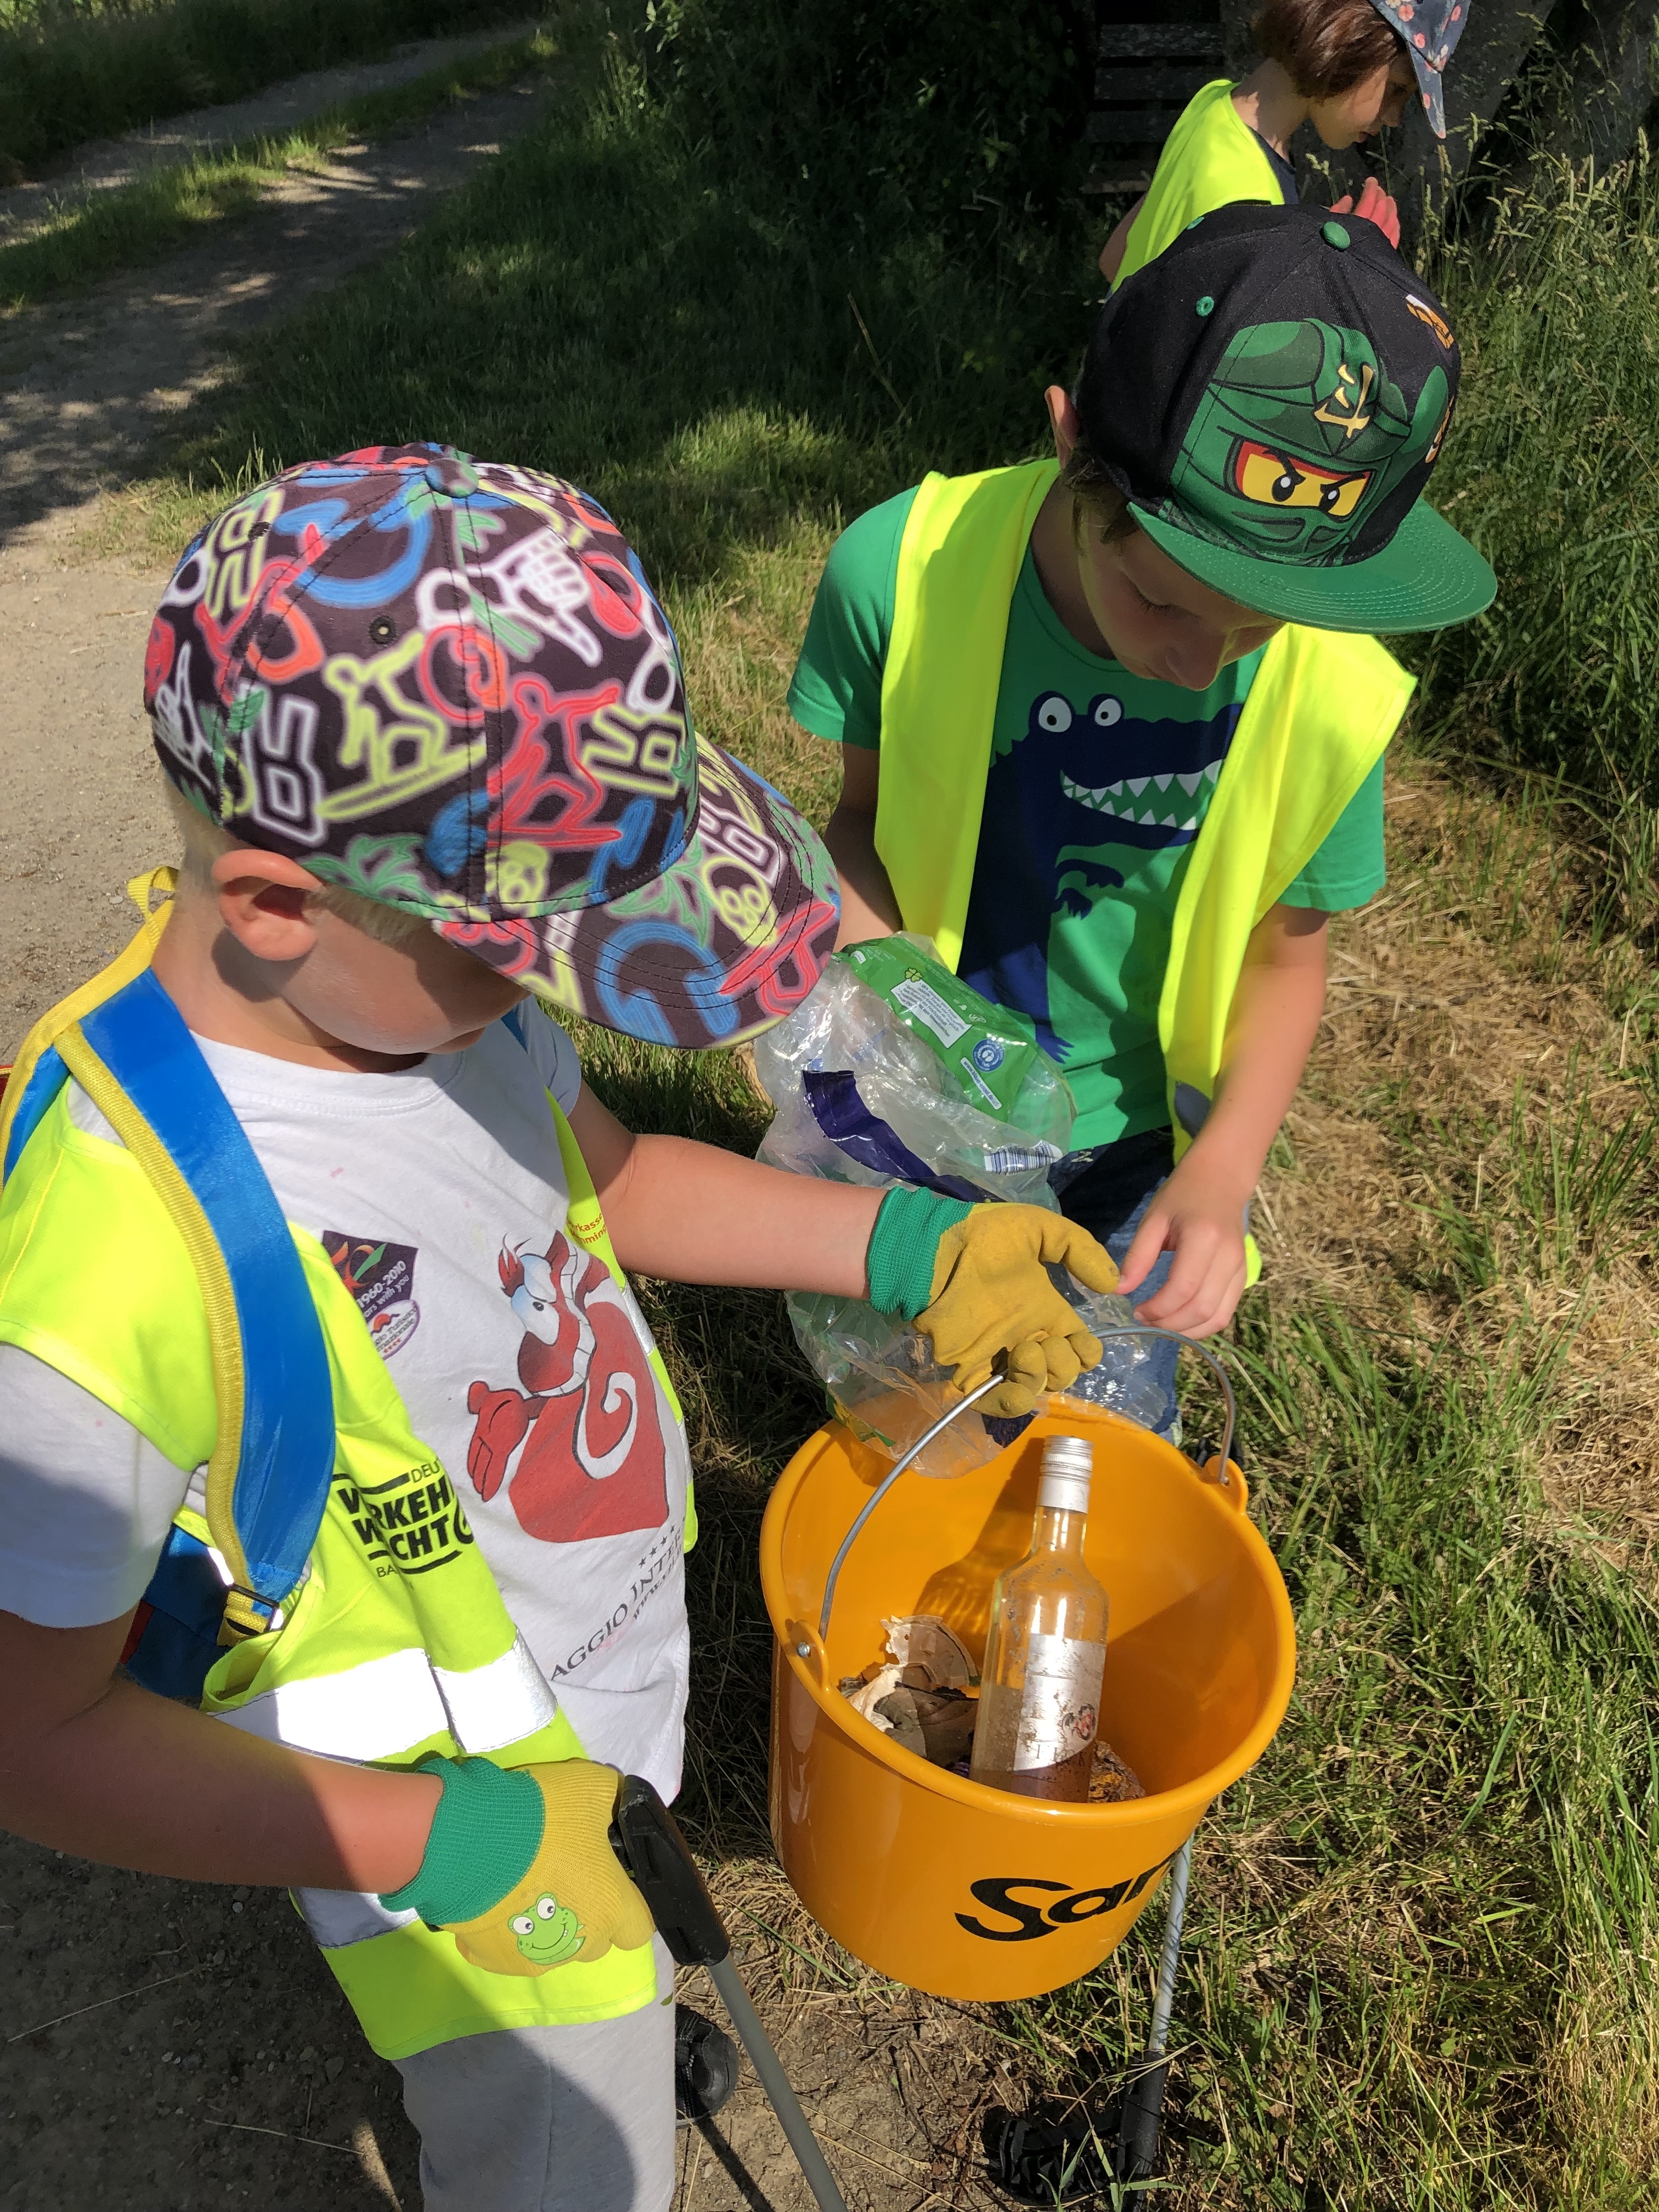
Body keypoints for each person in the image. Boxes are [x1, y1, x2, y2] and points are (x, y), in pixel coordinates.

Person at [0, 449, 1120, 2211]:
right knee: (566, 2168)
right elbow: (35, 1739)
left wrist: (905, 1240)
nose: (558, 986)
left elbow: (610, 1182)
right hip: (460, 1840)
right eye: (536, 945)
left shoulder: (429, 1007)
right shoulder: (100, 1286)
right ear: (280, 907)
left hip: (588, 1694)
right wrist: (447, 1845)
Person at [789, 204, 1494, 1435]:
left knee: (1095, 1440)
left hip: (1131, 1148)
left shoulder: (1331, 690)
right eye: (1164, 601)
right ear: (1068, 447)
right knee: (914, 1409)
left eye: (1257, 621)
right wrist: (880, 1018)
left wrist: (1222, 1172)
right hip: (928, 1116)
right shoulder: (895, 574)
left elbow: (1290, 952)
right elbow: (857, 822)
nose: (1199, 660)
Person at [1099, 0, 1474, 284]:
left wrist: (1292, 244)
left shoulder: (1211, 104)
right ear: (1351, 39)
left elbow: (1115, 258)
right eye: (1396, 90)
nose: (1393, 117)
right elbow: (1239, 373)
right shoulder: (1248, 199)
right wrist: (1339, 271)